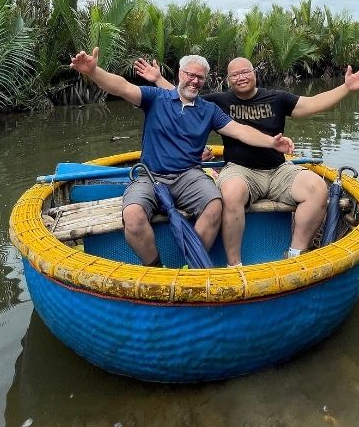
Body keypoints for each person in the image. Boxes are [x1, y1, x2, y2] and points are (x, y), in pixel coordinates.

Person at [133, 56, 359, 265]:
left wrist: (346, 87)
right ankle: (234, 264)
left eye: (245, 72)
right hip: (240, 170)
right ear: (228, 80)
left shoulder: (277, 98)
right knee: (230, 193)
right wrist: (158, 79)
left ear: (255, 73)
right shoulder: (218, 102)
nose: (241, 77)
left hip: (278, 169)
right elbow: (185, 94)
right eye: (235, 74)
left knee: (317, 188)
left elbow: (312, 104)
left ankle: (295, 253)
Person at [70, 49, 295, 268]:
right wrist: (93, 71)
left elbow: (240, 131)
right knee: (133, 215)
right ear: (180, 74)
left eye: (200, 77)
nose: (195, 81)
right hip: (150, 176)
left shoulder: (209, 110)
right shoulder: (156, 98)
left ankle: (191, 266)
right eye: (190, 75)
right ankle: (156, 268)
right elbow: (122, 87)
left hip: (189, 176)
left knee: (214, 205)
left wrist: (272, 142)